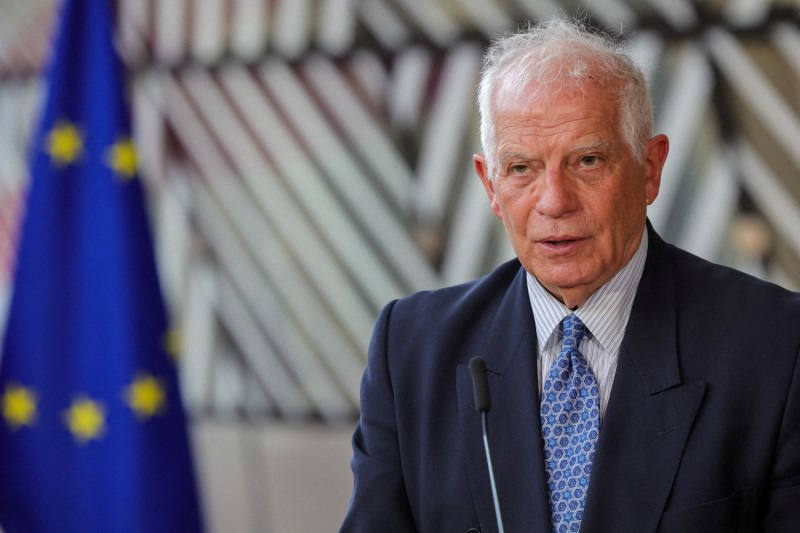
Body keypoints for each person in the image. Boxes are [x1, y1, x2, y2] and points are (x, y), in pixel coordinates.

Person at [340, 18, 800, 533]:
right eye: (521, 169)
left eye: (587, 161)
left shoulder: (777, 346)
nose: (554, 202)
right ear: (489, 185)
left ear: (650, 168)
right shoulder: (410, 350)